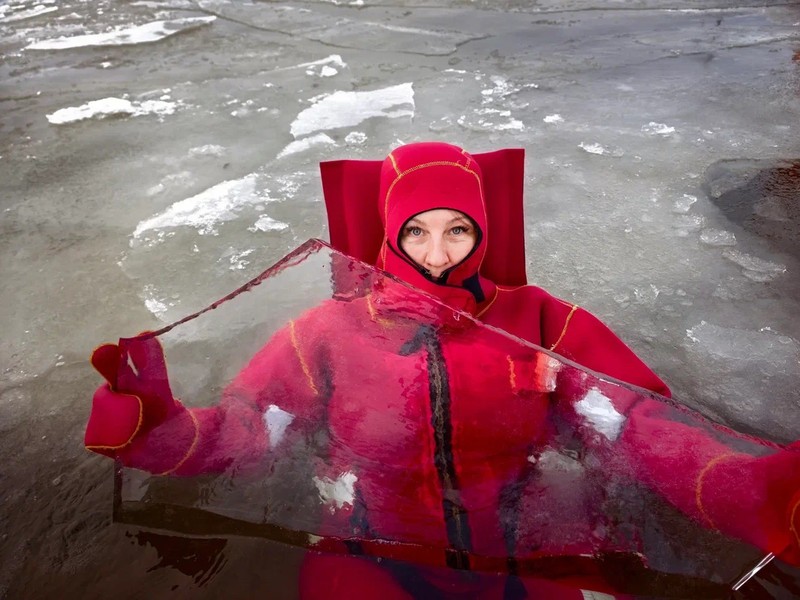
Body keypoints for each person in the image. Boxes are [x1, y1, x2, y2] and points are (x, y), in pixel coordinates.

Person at [85, 142, 800, 598]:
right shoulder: (325, 334)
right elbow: (250, 431)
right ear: (389, 233)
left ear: (482, 229)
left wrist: (744, 490)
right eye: (417, 231)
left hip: (526, 550)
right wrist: (161, 432)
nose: (437, 255)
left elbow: (631, 426)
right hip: (369, 552)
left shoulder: (541, 323)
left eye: (458, 229)